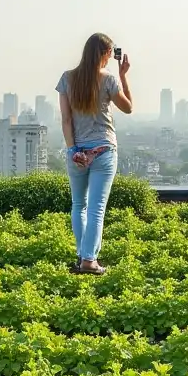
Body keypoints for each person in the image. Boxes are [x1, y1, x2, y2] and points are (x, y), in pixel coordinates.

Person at [55, 33, 133, 274]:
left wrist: (73, 150)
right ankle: (89, 261)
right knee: (97, 207)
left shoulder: (67, 79)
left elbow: (66, 120)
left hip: (77, 150)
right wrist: (123, 76)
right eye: (110, 53)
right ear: (103, 54)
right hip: (104, 150)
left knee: (79, 204)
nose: (111, 58)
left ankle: (83, 257)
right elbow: (128, 108)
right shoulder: (109, 79)